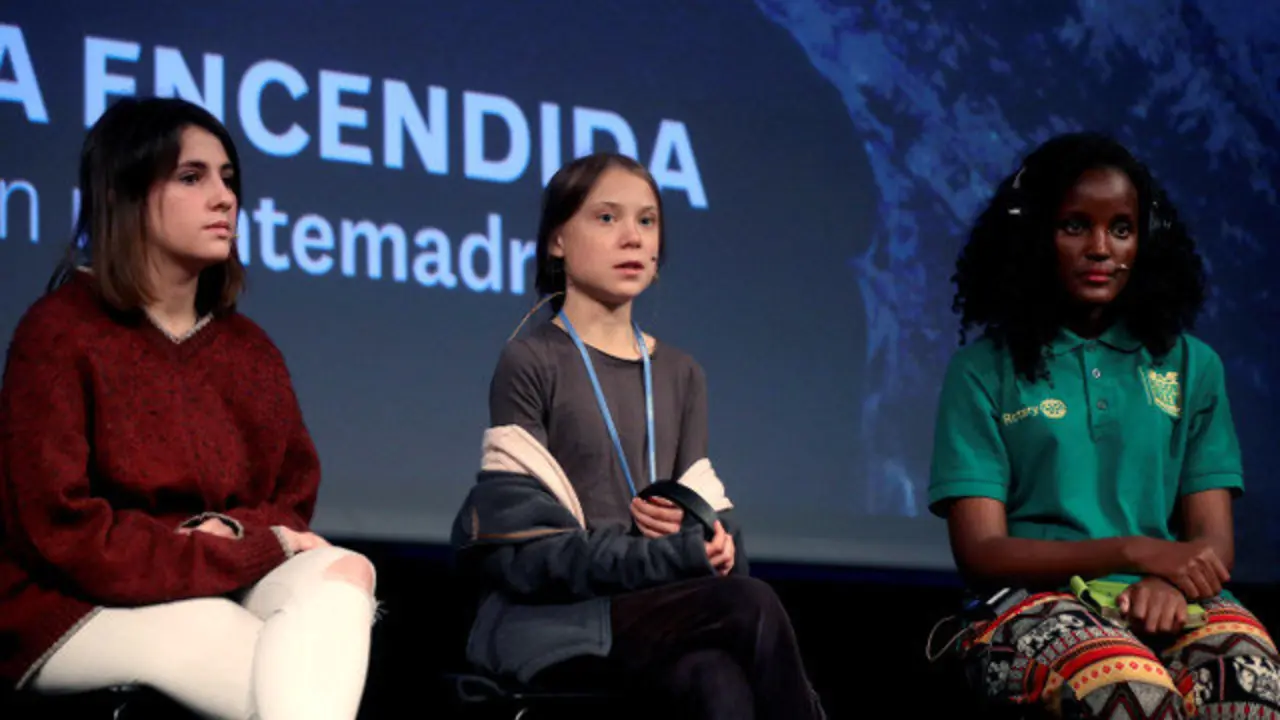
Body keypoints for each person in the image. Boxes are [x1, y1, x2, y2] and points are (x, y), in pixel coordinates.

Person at [0, 96, 377, 720]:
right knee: (271, 666)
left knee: (345, 573)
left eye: (228, 179)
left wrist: (228, 536)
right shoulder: (59, 332)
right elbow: (62, 535)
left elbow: (289, 504)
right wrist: (208, 549)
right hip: (70, 602)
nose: (225, 197)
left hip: (219, 577)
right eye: (191, 177)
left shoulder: (250, 351)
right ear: (125, 193)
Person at [450, 152, 826, 719]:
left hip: (666, 611)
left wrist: (717, 544)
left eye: (646, 221)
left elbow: (712, 531)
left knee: (717, 679)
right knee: (750, 605)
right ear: (557, 241)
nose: (632, 238)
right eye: (606, 218)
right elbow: (528, 555)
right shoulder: (530, 360)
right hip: (562, 620)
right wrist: (678, 557)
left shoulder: (681, 373)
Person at [928, 132, 1279, 718]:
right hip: (1029, 602)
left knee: (1246, 685)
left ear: (1147, 240)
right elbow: (980, 550)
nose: (1100, 247)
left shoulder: (1193, 365)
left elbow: (1213, 543)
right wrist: (1136, 552)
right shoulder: (982, 371)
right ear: (1034, 236)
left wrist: (1167, 582)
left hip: (1171, 595)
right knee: (1129, 692)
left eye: (1121, 228)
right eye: (1074, 226)